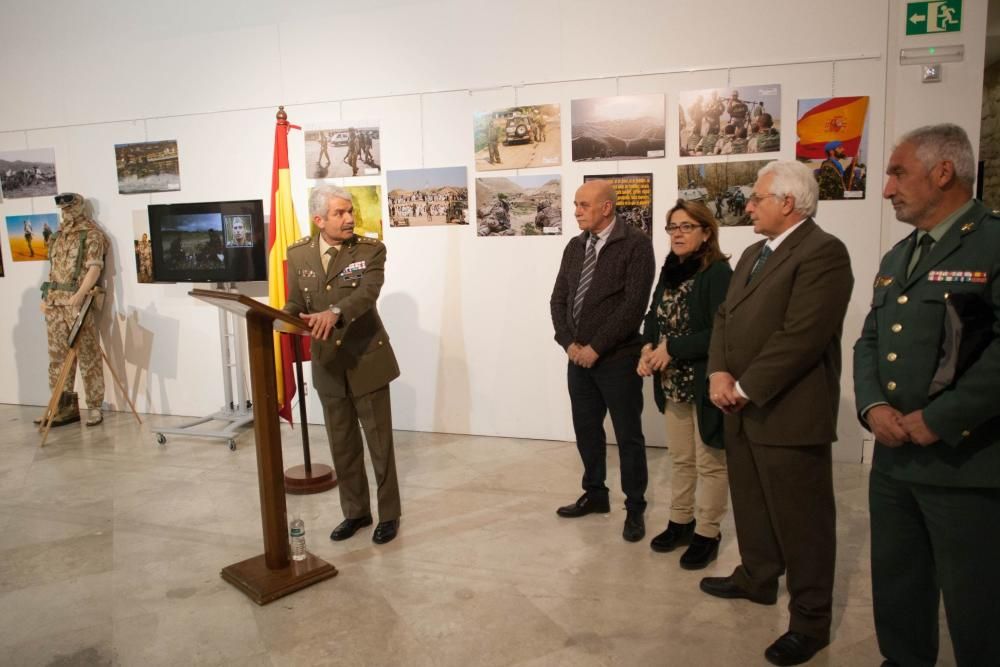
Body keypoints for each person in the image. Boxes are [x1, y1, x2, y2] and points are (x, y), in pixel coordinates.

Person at [854, 123, 1000, 667]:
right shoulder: (900, 256)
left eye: (897, 172)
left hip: (965, 464)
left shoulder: (992, 243)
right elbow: (870, 338)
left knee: (976, 604)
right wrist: (873, 407)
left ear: (944, 172)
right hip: (895, 460)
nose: (887, 188)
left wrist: (940, 418)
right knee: (898, 589)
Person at [701, 161, 853, 666]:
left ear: (788, 202)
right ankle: (758, 577)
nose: (748, 206)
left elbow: (802, 335)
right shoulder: (752, 253)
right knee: (751, 501)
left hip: (788, 412)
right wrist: (719, 374)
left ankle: (810, 621)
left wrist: (745, 386)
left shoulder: (824, 253)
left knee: (803, 521)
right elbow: (724, 317)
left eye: (757, 198)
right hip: (739, 405)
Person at [283, 184, 402, 545]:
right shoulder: (299, 254)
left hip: (366, 358)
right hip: (327, 364)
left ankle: (389, 514)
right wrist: (277, 319)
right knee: (342, 445)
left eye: (350, 211)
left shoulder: (371, 249)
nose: (349, 218)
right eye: (339, 213)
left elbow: (366, 294)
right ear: (319, 219)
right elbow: (293, 302)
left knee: (380, 445)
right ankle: (356, 513)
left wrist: (334, 312)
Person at [549, 180, 655, 542]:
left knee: (628, 436)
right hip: (577, 358)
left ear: (606, 208)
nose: (576, 211)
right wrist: (568, 344)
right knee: (587, 431)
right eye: (576, 204)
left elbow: (633, 306)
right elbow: (559, 299)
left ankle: (635, 507)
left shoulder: (636, 245)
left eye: (583, 205)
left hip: (617, 359)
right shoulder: (575, 246)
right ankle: (595, 494)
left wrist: (596, 347)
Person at [638, 200, 731, 569]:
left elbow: (722, 331)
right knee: (681, 459)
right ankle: (681, 521)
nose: (677, 233)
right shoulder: (671, 269)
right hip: (672, 381)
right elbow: (653, 315)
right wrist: (647, 346)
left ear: (706, 232)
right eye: (672, 227)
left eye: (686, 226)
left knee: (710, 461)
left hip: (705, 381)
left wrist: (671, 348)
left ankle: (708, 531)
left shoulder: (717, 272)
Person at [39, 193, 109, 427]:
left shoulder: (92, 234)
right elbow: (52, 269)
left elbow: (94, 269)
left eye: (71, 207)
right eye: (63, 208)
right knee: (57, 359)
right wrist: (46, 297)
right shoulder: (57, 236)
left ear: (80, 207)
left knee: (87, 354)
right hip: (55, 303)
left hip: (77, 302)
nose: (67, 212)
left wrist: (79, 296)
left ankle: (95, 407)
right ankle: (62, 407)